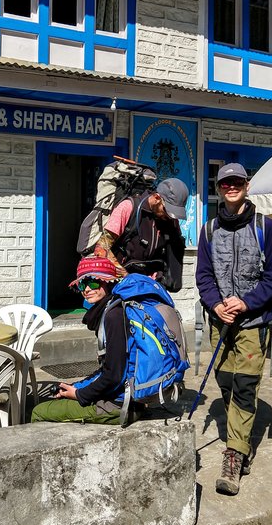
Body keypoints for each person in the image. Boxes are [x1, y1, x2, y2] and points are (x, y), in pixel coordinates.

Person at [195, 162, 272, 496]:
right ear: (219, 189)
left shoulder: (265, 227)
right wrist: (216, 304)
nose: (231, 187)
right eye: (225, 183)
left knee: (245, 385)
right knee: (226, 383)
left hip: (252, 322)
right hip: (220, 323)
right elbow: (203, 276)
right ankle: (241, 439)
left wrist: (246, 303)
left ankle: (235, 453)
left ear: (247, 185)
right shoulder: (208, 231)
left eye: (237, 182)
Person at [31, 257, 133, 424]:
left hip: (119, 404)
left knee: (39, 412)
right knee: (62, 400)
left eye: (93, 283)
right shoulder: (112, 310)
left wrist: (80, 394)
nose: (86, 289)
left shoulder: (114, 317)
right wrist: (76, 387)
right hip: (123, 396)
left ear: (109, 283)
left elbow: (114, 376)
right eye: (82, 284)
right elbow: (108, 368)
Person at [93, 177, 188, 292]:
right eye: (166, 210)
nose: (168, 216)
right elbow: (102, 248)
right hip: (122, 283)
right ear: (157, 198)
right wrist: (125, 276)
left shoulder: (171, 220)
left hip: (152, 285)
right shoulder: (128, 207)